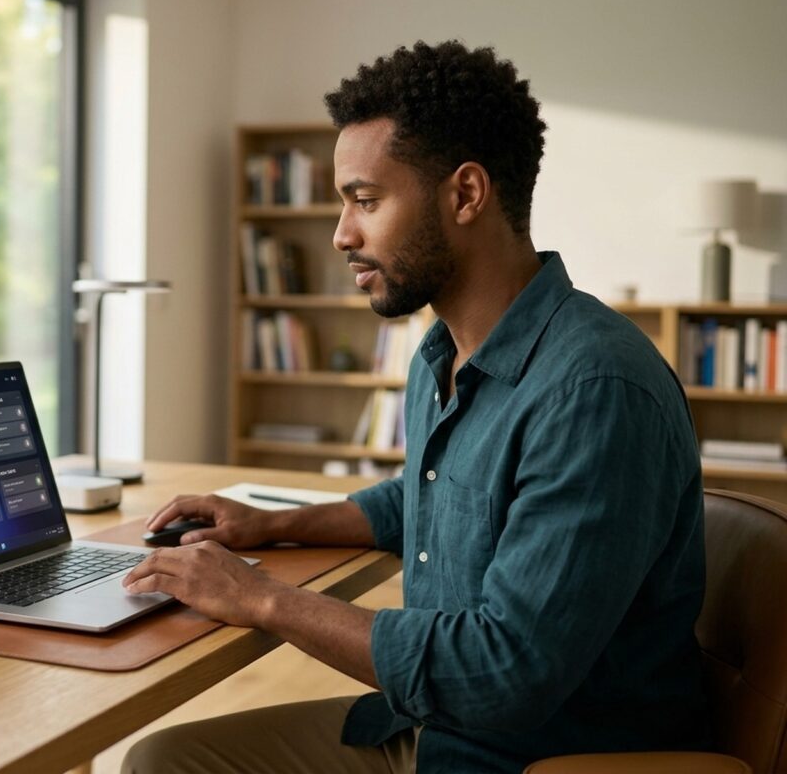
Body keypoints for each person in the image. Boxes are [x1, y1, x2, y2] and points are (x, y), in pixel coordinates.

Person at [120, 40, 709, 774]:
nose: (342, 234)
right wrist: (271, 525)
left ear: (465, 195)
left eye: (366, 201)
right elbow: (428, 497)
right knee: (165, 760)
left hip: (535, 754)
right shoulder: (445, 353)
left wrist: (262, 599)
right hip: (434, 725)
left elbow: (505, 673)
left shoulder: (595, 391)